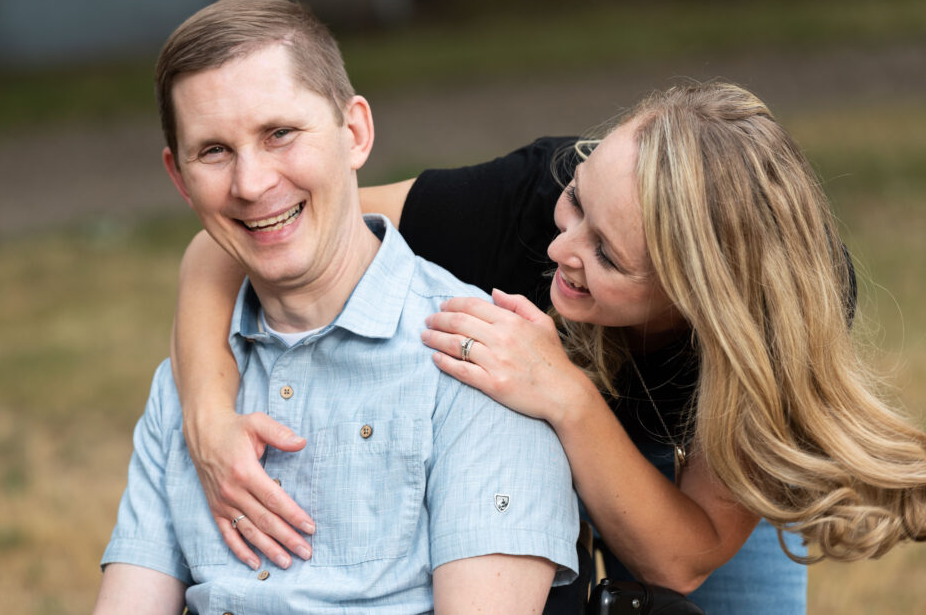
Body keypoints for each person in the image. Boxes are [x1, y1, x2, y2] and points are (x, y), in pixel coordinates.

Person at [171, 81, 926, 613]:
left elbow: (683, 558)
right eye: (579, 202)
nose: (562, 245)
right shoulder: (529, 200)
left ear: (699, 298)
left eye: (608, 255)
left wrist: (565, 394)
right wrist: (207, 413)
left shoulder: (774, 318)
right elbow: (237, 245)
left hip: (699, 455)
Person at [94, 0, 581, 615]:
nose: (250, 184)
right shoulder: (190, 386)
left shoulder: (480, 361)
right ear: (178, 177)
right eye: (214, 150)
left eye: (280, 134)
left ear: (354, 133)